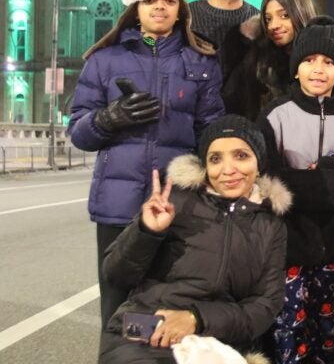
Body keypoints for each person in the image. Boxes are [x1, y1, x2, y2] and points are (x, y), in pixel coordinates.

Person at [68, 0, 225, 328]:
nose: (160, 6)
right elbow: (78, 132)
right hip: (118, 208)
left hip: (180, 207)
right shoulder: (104, 61)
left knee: (169, 311)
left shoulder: (201, 60)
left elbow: (212, 136)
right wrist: (109, 118)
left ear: (180, 6)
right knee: (117, 312)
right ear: (136, 5)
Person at [98, 115, 290, 363]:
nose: (228, 169)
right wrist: (147, 231)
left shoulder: (271, 225)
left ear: (259, 163)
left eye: (241, 156)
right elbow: (116, 274)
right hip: (145, 325)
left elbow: (264, 306)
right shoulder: (176, 200)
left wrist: (195, 318)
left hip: (217, 337)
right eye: (215, 159)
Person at [258, 16, 334, 363]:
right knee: (289, 332)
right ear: (296, 69)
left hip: (333, 247)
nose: (318, 69)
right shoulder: (276, 114)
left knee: (330, 330)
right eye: (309, 60)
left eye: (328, 62)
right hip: (288, 247)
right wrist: (319, 185)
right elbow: (264, 174)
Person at [223, 0, 318, 120]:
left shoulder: (325, 61)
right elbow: (232, 107)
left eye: (284, 16)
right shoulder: (256, 62)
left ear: (303, 14)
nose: (273, 25)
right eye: (268, 19)